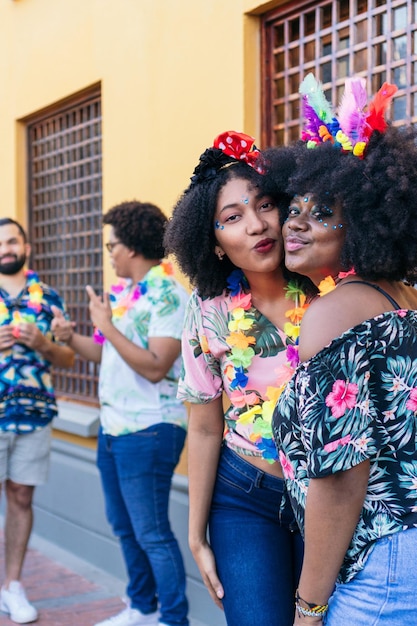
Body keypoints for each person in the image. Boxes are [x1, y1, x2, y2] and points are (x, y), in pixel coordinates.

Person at [271, 74, 417, 626]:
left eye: (323, 213)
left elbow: (340, 475)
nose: (296, 224)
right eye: (296, 207)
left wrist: (309, 604)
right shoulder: (404, 300)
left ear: (364, 226)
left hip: (383, 562)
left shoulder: (335, 312)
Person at [164, 131, 316, 626]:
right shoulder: (208, 312)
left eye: (265, 204)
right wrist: (196, 535)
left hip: (330, 495)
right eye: (233, 218)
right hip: (243, 497)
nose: (256, 225)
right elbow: (206, 427)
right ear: (215, 243)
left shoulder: (331, 291)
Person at [51, 201, 189, 626]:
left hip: (150, 429)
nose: (109, 253)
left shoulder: (168, 293)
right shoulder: (123, 294)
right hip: (114, 428)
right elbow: (104, 353)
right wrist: (70, 335)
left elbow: (154, 366)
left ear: (131, 247)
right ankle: (142, 608)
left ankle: (173, 618)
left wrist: (106, 325)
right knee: (125, 526)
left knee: (151, 531)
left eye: (112, 245)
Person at [0, 217, 74, 624]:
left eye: (12, 241)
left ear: (26, 247)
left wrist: (44, 343)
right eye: (0, 243)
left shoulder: (48, 298)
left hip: (33, 413)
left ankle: (12, 585)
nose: (5, 249)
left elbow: (67, 357)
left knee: (21, 498)